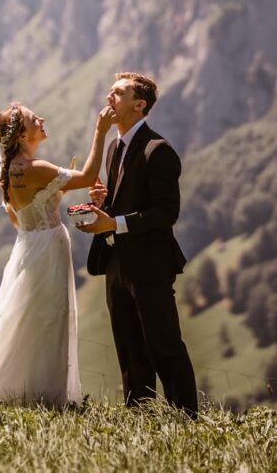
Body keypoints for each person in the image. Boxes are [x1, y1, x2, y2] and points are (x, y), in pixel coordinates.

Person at [0, 101, 112, 407]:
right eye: (33, 119)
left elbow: (21, 213)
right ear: (21, 135)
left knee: (30, 318)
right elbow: (86, 176)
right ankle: (43, 394)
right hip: (47, 249)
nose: (41, 119)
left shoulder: (12, 170)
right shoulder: (35, 168)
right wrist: (100, 131)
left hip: (31, 246)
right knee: (49, 318)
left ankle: (33, 391)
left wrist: (54, 195)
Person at [76, 71, 198, 415]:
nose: (109, 97)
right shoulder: (115, 146)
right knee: (129, 348)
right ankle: (140, 417)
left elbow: (166, 213)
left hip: (149, 265)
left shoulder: (158, 150)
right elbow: (125, 202)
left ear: (139, 105)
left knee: (164, 345)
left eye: (118, 93)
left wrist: (113, 222)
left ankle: (185, 420)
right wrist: (102, 203)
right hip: (116, 263)